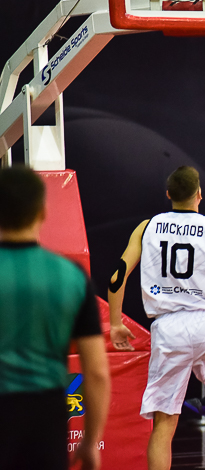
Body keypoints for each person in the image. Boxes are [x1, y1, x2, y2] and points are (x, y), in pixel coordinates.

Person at [107, 166, 205, 470]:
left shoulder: (147, 227)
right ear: (199, 194)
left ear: (168, 195)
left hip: (168, 328)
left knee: (165, 421)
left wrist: (115, 323)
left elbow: (116, 277)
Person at [0, 165, 110, 470]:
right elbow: (97, 372)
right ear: (43, 212)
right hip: (46, 415)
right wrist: (91, 440)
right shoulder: (70, 276)